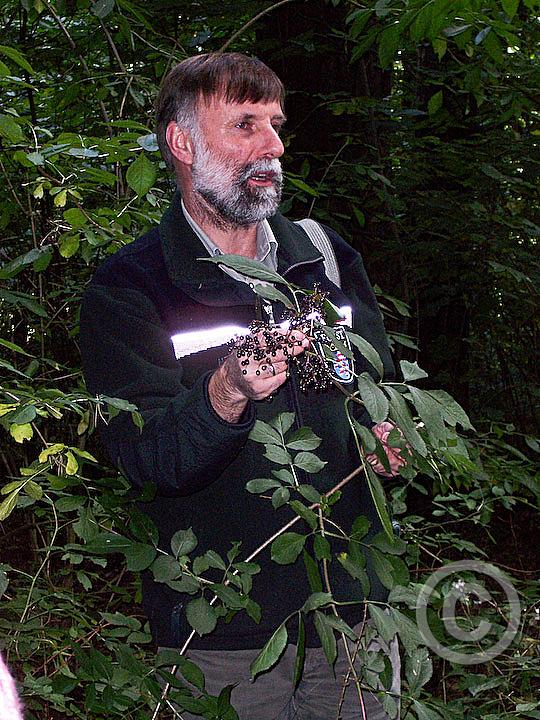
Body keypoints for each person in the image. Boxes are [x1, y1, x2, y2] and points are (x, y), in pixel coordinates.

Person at [81, 52, 402, 720]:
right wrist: (224, 392)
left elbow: (382, 386)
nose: (273, 146)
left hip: (356, 619)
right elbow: (147, 458)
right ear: (182, 143)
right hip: (222, 635)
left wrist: (390, 436)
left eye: (276, 124)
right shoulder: (131, 287)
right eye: (245, 125)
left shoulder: (324, 257)